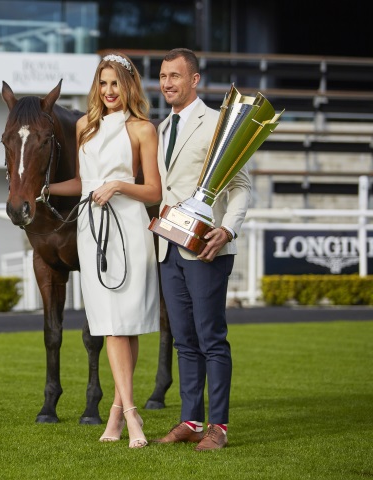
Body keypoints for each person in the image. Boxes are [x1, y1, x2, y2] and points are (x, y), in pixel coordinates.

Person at [48, 53, 161, 448]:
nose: (108, 91)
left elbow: (153, 191)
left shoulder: (144, 129)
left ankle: (123, 413)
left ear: (128, 86)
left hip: (129, 228)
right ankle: (125, 412)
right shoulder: (84, 126)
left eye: (115, 83)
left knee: (125, 323)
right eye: (103, 83)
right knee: (111, 322)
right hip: (92, 230)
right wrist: (44, 189)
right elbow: (83, 182)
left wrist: (117, 185)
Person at [153, 48, 251, 451]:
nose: (167, 83)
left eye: (175, 76)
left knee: (211, 338)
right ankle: (190, 420)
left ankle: (219, 427)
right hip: (168, 249)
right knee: (183, 339)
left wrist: (227, 229)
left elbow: (241, 186)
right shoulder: (161, 128)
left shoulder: (217, 123)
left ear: (194, 80)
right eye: (162, 76)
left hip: (207, 249)